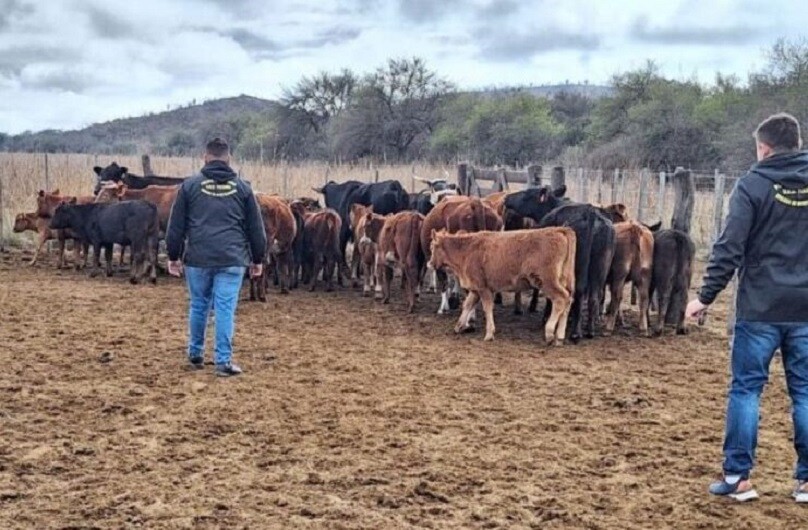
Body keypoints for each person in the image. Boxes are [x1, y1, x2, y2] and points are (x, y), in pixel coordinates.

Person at [686, 113, 808, 503]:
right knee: (805, 391)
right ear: (798, 144)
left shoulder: (752, 185)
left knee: (746, 390)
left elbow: (729, 247)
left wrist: (705, 297)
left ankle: (738, 477)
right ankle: (806, 481)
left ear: (763, 147)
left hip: (759, 307)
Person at [166, 137, 266, 377]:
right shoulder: (243, 188)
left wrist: (173, 255)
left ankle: (195, 353)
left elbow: (176, 226)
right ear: (228, 158)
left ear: (205, 157)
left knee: (199, 304)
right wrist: (258, 258)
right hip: (232, 259)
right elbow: (256, 228)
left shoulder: (189, 187)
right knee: (224, 307)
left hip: (198, 258)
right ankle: (223, 361)